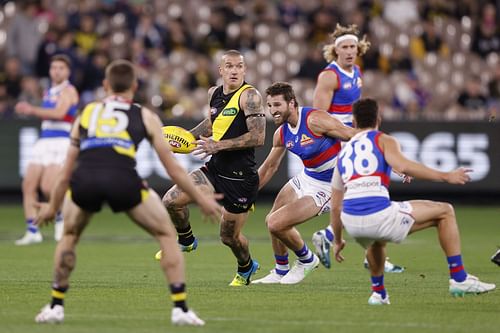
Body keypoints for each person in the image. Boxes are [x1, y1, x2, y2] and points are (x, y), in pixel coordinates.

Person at [32, 59, 222, 326]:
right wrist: (201, 198)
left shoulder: (87, 113)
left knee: (70, 235)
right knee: (167, 234)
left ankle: (55, 305)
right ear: (134, 86)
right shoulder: (145, 116)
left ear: (105, 85)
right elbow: (174, 169)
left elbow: (66, 170)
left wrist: (52, 206)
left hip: (86, 178)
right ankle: (180, 309)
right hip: (123, 178)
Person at [330, 98, 496, 304]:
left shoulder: (342, 153)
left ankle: (378, 293)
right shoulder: (383, 140)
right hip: (378, 215)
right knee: (445, 211)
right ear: (378, 119)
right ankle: (459, 278)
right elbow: (404, 166)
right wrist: (446, 176)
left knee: (376, 240)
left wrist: (337, 241)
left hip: (352, 223)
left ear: (353, 122)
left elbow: (336, 204)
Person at [156, 50, 266, 287]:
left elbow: (258, 137)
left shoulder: (250, 96)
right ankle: (186, 240)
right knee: (170, 201)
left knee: (229, 237)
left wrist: (219, 145)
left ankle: (246, 267)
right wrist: (183, 139)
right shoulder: (213, 93)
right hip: (214, 170)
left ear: (244, 70)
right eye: (229, 66)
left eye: (239, 66)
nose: (234, 70)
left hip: (241, 178)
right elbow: (212, 123)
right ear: (221, 70)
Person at [309, 24, 403, 272]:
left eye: (353, 46)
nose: (350, 51)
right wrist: (344, 137)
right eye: (344, 47)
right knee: (367, 189)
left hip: (353, 137)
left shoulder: (356, 72)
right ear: (335, 50)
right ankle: (338, 239)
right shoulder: (329, 76)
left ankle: (334, 238)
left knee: (362, 192)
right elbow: (318, 116)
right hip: (340, 141)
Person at [252, 82, 353, 285]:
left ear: (291, 103)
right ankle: (281, 270)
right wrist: (246, 194)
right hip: (307, 177)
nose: (272, 110)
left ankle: (307, 260)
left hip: (329, 185)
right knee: (271, 219)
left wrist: (391, 160)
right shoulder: (282, 133)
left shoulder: (315, 119)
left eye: (277, 105)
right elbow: (270, 166)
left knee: (276, 223)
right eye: (269, 105)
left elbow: (352, 134)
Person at [14, 54, 79, 245]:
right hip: (44, 140)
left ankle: (61, 219)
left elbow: (59, 114)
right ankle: (32, 230)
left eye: (61, 68)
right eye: (53, 67)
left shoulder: (69, 91)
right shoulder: (49, 91)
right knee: (28, 185)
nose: (56, 71)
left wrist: (31, 109)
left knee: (48, 187)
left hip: (61, 140)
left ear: (68, 72)